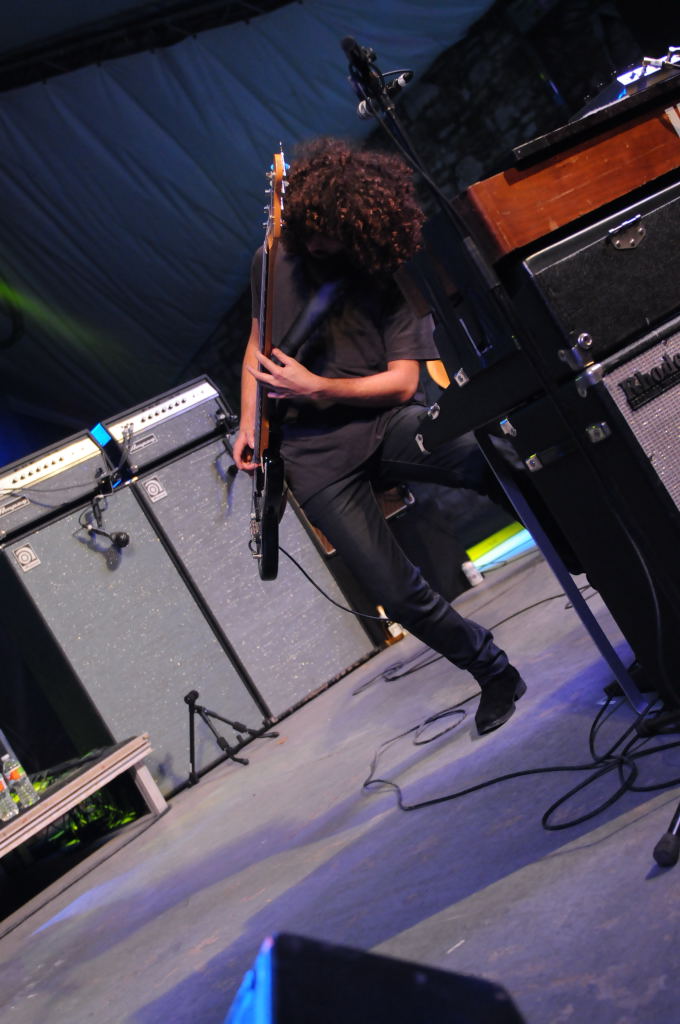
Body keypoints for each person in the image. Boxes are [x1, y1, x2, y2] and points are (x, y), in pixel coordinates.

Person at [232, 137, 526, 734]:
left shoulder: (379, 272)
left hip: (385, 423)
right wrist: (247, 421)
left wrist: (319, 386)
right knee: (396, 590)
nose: (318, 244)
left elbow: (402, 383)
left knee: (491, 458)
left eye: (332, 236)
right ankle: (493, 671)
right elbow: (256, 345)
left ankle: (584, 549)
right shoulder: (270, 258)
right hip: (313, 456)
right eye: (314, 230)